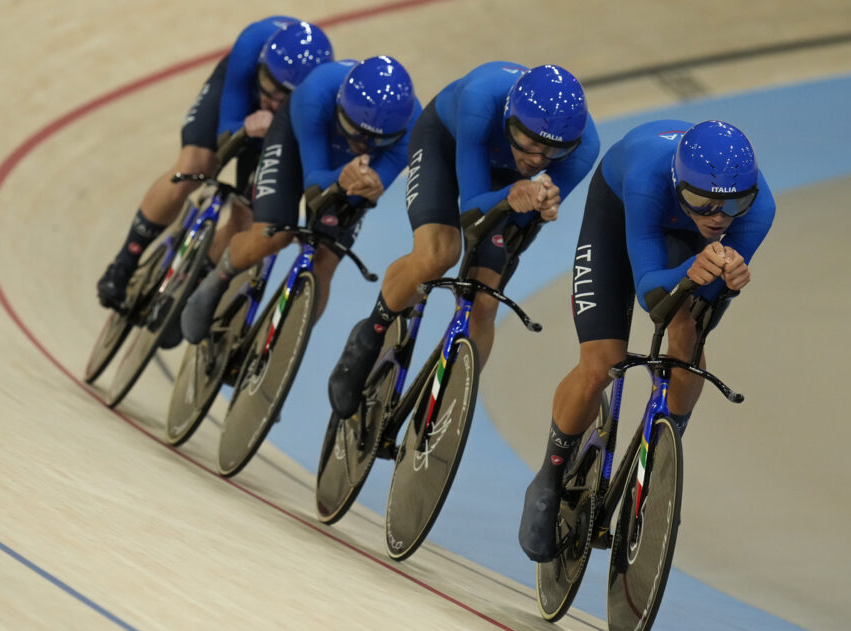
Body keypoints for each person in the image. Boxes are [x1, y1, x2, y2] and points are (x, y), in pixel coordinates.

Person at [517, 119, 776, 562]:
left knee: (689, 338)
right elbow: (651, 295)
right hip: (621, 214)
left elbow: (705, 301)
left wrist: (729, 278)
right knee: (602, 362)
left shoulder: (759, 208)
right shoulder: (646, 181)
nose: (718, 218)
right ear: (680, 186)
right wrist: (691, 270)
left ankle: (665, 444)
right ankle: (550, 475)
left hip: (683, 240)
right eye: (703, 203)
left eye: (732, 207)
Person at [327, 62, 600, 419]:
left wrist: (540, 204)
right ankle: (370, 334)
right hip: (446, 144)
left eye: (552, 153)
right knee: (439, 252)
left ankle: (451, 401)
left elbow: (526, 214)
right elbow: (472, 211)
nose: (537, 160)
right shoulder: (479, 100)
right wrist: (514, 192)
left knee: (485, 300)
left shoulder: (582, 147)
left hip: (505, 184)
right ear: (509, 121)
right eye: (531, 143)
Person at [95, 18, 333, 323]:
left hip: (284, 127)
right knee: (196, 165)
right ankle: (125, 260)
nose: (270, 99)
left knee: (246, 215)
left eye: (281, 96)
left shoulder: (314, 102)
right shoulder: (251, 46)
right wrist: (245, 129)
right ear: (261, 67)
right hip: (235, 99)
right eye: (268, 88)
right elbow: (225, 134)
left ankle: (192, 287)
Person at [179, 55, 422, 342]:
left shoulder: (412, 129)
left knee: (327, 255)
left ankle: (285, 347)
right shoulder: (315, 93)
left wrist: (366, 185)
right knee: (272, 234)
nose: (361, 144)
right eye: (354, 131)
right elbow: (315, 187)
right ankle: (215, 281)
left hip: (353, 170)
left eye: (376, 140)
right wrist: (343, 178)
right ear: (338, 107)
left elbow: (367, 192)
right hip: (297, 144)